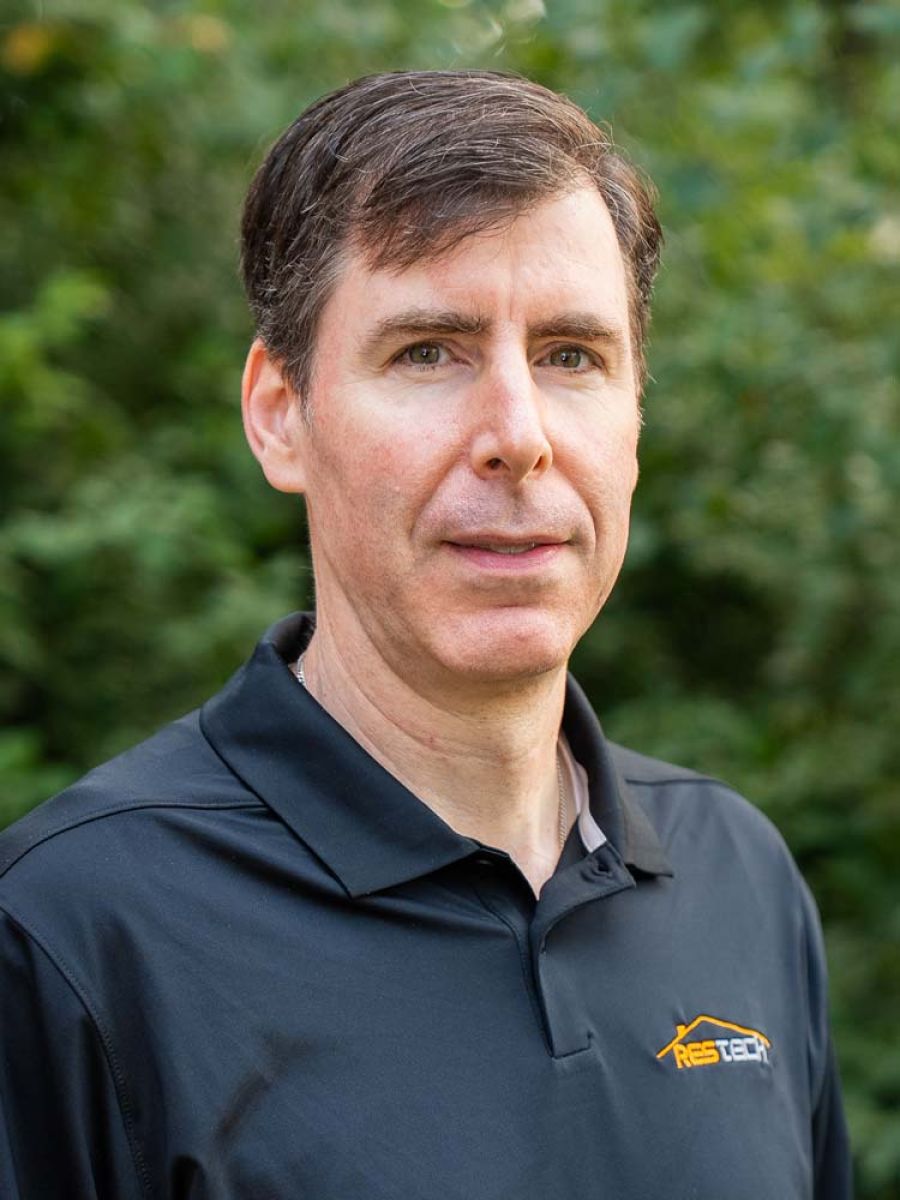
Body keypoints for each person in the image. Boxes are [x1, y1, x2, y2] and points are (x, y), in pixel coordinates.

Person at [0, 70, 850, 1199]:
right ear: (279, 414)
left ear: (637, 414)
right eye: (429, 352)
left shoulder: (737, 875)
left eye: (571, 356)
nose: (518, 436)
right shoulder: (70, 930)